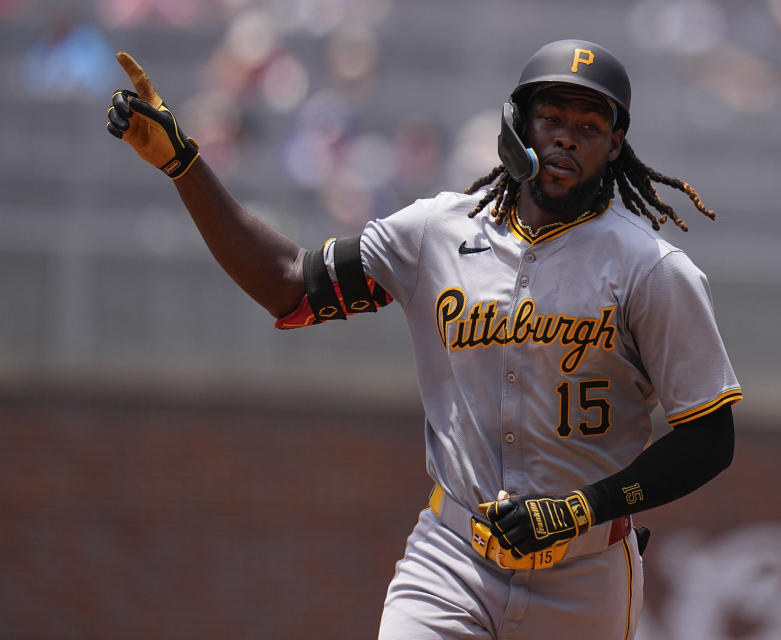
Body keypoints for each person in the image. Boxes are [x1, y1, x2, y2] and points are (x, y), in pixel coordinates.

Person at [107, 39, 741, 640]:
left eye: (590, 125)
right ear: (516, 124)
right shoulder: (436, 233)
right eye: (551, 117)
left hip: (585, 571)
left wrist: (580, 507)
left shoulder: (651, 268)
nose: (567, 137)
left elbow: (709, 436)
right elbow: (289, 286)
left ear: (615, 143)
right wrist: (182, 164)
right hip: (452, 556)